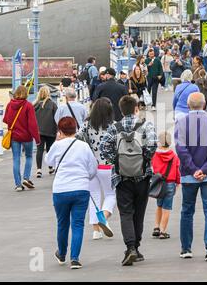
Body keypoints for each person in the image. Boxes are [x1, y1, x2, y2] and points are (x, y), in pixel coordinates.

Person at [100, 95, 157, 266]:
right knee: (139, 213)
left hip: (121, 176)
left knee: (126, 213)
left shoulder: (114, 128)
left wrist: (116, 161)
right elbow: (153, 145)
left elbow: (104, 148)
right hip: (142, 176)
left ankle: (130, 247)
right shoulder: (146, 125)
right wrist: (144, 160)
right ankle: (136, 248)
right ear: (136, 108)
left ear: (121, 110)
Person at [175, 92, 207, 261]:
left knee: (187, 210)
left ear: (188, 105)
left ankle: (186, 248)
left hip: (189, 174)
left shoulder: (181, 123)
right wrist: (205, 169)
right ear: (204, 105)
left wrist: (194, 169)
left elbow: (181, 149)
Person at [46, 117, 98, 269]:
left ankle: (62, 254)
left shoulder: (57, 145)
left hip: (61, 189)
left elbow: (48, 161)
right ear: (75, 129)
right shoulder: (84, 146)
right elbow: (93, 167)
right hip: (81, 188)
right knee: (78, 224)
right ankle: (75, 257)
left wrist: (57, 141)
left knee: (62, 223)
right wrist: (86, 177)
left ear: (60, 131)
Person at [76, 98, 116, 240]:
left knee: (94, 197)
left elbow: (78, 138)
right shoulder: (113, 126)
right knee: (111, 195)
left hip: (91, 166)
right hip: (108, 166)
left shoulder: (86, 124)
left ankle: (96, 231)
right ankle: (104, 217)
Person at [3, 85, 41, 191]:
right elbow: (32, 124)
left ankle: (18, 184)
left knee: (16, 159)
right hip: (27, 136)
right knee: (28, 156)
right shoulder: (28, 106)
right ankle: (26, 177)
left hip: (14, 136)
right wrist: (37, 139)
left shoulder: (9, 105)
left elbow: (6, 119)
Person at [151, 132, 181, 239]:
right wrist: (178, 182)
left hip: (159, 184)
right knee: (167, 208)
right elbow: (177, 171)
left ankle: (156, 227)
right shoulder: (174, 156)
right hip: (170, 183)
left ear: (159, 143)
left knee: (159, 206)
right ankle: (163, 231)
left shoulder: (155, 156)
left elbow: (153, 169)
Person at [34, 86, 58, 178]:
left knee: (39, 150)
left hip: (38, 131)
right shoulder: (52, 104)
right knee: (50, 150)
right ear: (48, 93)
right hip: (50, 130)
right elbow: (56, 118)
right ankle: (51, 167)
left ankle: (39, 170)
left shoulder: (35, 105)